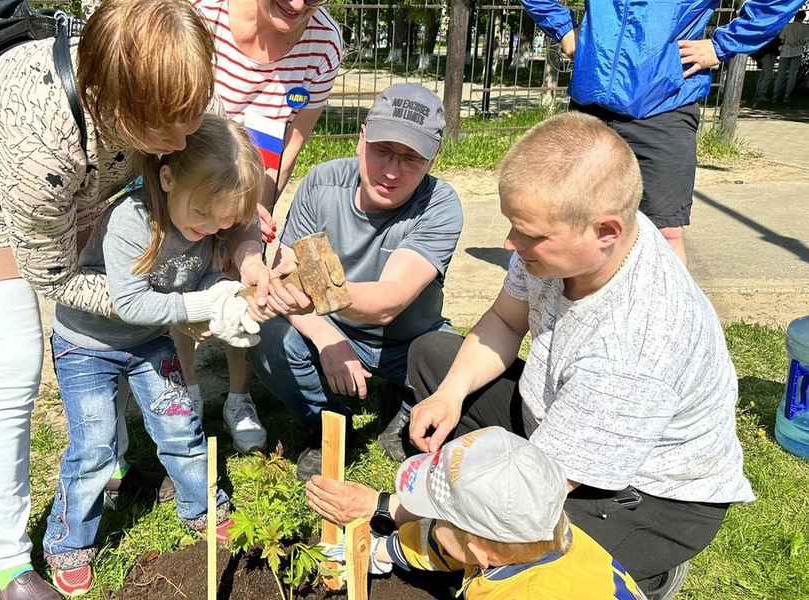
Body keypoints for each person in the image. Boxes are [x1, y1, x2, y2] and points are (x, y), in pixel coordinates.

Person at [306, 112, 756, 600]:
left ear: (606, 230)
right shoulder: (576, 236)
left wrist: (385, 507)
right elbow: (504, 320)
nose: (510, 245)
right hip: (561, 418)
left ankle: (639, 562)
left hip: (646, 494)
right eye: (513, 226)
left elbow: (521, 496)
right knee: (435, 355)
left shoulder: (636, 346)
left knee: (486, 559)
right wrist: (450, 396)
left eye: (529, 235)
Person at [0, 1, 220, 597]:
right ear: (114, 103)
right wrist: (171, 302)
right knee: (14, 365)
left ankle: (113, 466)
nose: (188, 135)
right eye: (171, 126)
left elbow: (224, 158)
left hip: (76, 187)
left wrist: (249, 245)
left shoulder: (166, 93)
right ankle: (5, 560)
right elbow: (55, 279)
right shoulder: (43, 145)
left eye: (194, 111)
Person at [41, 114, 267, 595]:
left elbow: (196, 278)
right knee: (95, 445)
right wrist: (205, 302)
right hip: (87, 345)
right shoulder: (131, 220)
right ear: (167, 179)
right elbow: (131, 303)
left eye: (225, 221)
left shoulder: (203, 225)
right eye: (205, 214)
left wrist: (227, 300)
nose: (212, 227)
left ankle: (202, 506)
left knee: (180, 423)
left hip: (148, 341)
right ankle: (68, 542)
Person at [246, 83, 463, 480]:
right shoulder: (322, 183)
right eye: (383, 151)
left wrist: (309, 294)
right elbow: (289, 272)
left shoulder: (441, 205)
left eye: (411, 158)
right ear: (361, 138)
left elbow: (388, 301)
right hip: (332, 325)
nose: (392, 171)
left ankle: (409, 403)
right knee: (265, 336)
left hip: (406, 341)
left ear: (433, 159)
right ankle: (331, 423)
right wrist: (327, 337)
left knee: (460, 365)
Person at [164, 0, 343, 457]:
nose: (300, 5)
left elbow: (290, 141)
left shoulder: (324, 45)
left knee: (241, 282)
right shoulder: (200, 16)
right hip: (190, 181)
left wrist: (249, 216)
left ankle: (239, 396)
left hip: (252, 182)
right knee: (179, 279)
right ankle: (186, 391)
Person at [520, 0, 803, 265]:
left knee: (665, 231)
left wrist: (722, 45)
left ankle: (664, 316)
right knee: (573, 220)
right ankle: (569, 310)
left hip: (666, 105)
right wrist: (564, 28)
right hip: (591, 101)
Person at [324, 428, 645, 599]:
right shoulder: (546, 534)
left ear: (478, 552)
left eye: (437, 520)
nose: (430, 524)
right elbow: (444, 545)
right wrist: (380, 552)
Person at [774, 11, 809, 103]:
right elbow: (805, 41)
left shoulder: (787, 26)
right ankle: (786, 95)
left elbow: (782, 40)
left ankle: (775, 95)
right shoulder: (806, 28)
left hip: (786, 50)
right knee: (792, 74)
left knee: (780, 74)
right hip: (797, 51)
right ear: (804, 17)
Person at [752, 34, 782, 104]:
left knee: (764, 74)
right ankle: (761, 94)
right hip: (768, 54)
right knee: (768, 74)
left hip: (762, 54)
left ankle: (757, 94)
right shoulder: (776, 33)